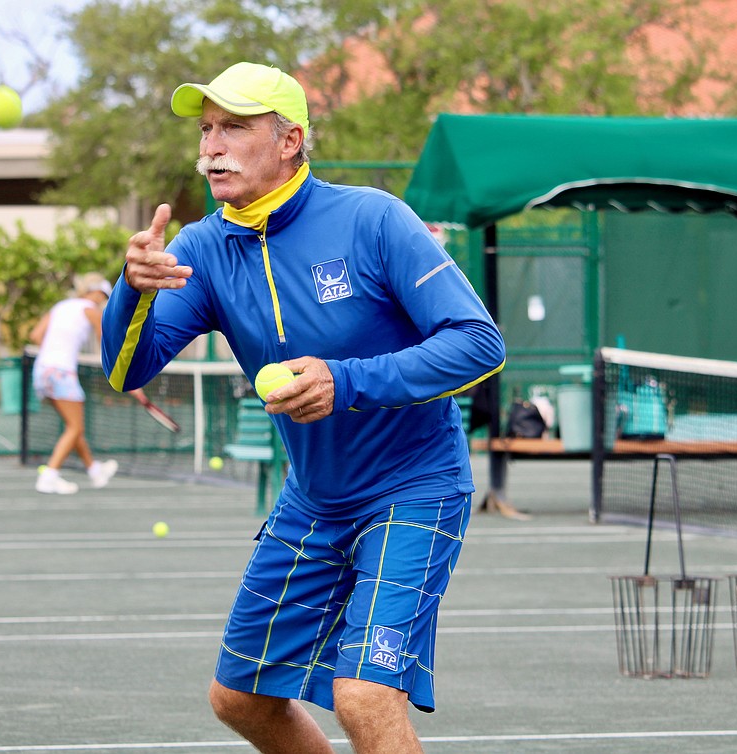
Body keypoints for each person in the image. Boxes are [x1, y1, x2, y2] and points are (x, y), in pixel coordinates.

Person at [100, 62, 505, 753]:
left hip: (416, 488)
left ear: (289, 141)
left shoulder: (373, 218)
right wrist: (131, 289)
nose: (210, 147)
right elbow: (125, 369)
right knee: (241, 699)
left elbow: (479, 344)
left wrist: (345, 382)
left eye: (233, 127)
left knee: (365, 695)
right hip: (314, 501)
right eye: (205, 130)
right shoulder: (201, 247)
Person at [29, 273, 120, 494]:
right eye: (103, 295)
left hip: (42, 370)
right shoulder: (92, 310)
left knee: (72, 426)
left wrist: (55, 352)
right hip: (61, 371)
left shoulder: (61, 306)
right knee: (75, 427)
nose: (103, 300)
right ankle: (49, 476)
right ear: (96, 292)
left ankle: (95, 471)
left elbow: (35, 335)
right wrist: (117, 369)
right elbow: (105, 341)